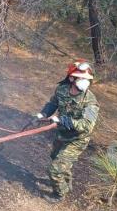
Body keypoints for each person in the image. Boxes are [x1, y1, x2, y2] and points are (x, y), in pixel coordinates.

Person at [33, 60, 99, 202]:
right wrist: (43, 114)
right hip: (61, 134)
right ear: (71, 78)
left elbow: (87, 125)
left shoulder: (90, 101)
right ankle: (66, 182)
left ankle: (59, 194)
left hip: (77, 139)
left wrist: (63, 120)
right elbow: (53, 103)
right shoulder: (62, 89)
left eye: (87, 79)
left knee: (55, 169)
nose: (85, 82)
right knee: (56, 157)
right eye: (82, 78)